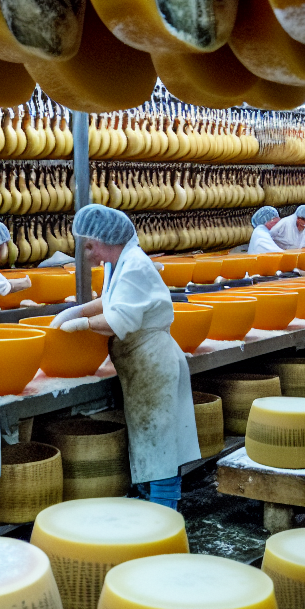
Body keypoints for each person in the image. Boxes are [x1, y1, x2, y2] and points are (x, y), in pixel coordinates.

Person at [49, 205, 200, 511]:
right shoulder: (117, 264)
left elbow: (121, 320)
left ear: (110, 238)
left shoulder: (136, 266)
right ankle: (149, 505)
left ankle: (164, 515)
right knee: (148, 441)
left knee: (160, 445)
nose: (89, 253)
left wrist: (84, 324)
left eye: (91, 245)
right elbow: (109, 301)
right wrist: (79, 309)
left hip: (153, 363)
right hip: (139, 365)